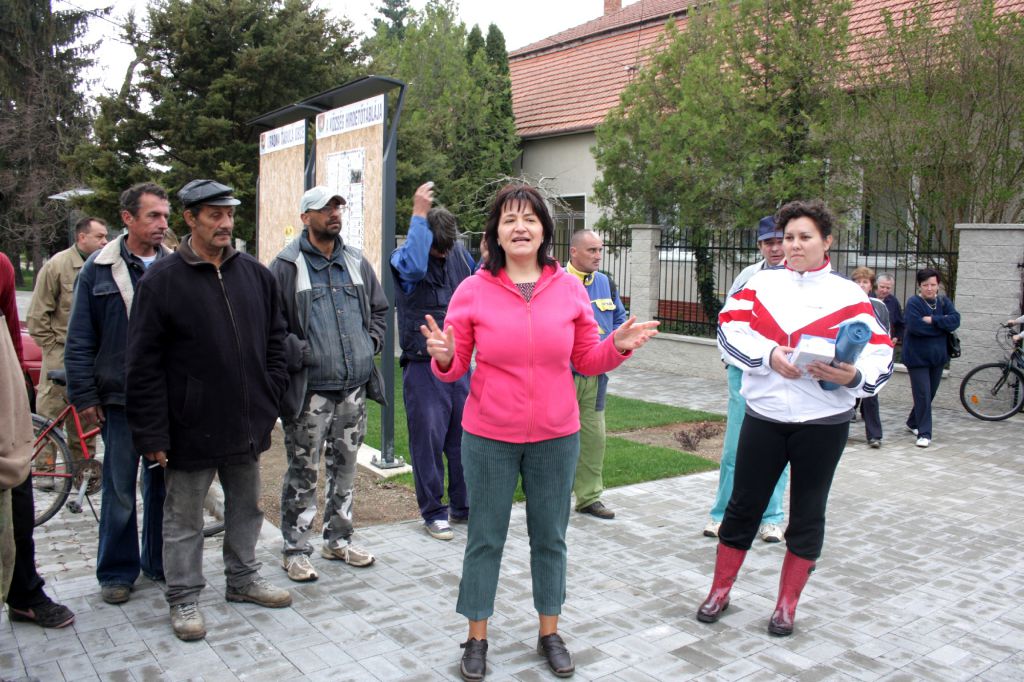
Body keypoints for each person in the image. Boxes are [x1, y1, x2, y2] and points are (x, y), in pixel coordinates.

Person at [422, 183, 659, 681]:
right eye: (509, 219)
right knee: (484, 538)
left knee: (550, 538)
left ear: (545, 231)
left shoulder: (569, 289)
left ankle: (549, 632)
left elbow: (586, 359)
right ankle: (476, 637)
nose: (520, 227)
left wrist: (617, 344)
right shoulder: (473, 290)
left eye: (529, 218)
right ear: (496, 233)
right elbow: (456, 363)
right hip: (489, 436)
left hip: (556, 435)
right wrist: (444, 357)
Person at [704, 200, 893, 637]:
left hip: (824, 424)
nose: (793, 245)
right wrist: (768, 355)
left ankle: (786, 605)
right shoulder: (759, 285)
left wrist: (854, 376)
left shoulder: (851, 296)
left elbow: (880, 353)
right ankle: (719, 590)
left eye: (805, 237)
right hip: (765, 416)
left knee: (808, 513)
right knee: (742, 507)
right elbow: (728, 331)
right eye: (788, 237)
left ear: (827, 242)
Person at [125, 179, 292, 642]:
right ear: (190, 218)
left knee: (246, 507)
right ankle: (183, 596)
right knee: (183, 518)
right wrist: (153, 434)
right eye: (215, 215)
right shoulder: (161, 281)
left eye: (229, 214)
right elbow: (142, 365)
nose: (225, 223)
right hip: (189, 426)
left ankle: (243, 578)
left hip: (246, 421)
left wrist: (269, 394)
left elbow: (277, 340)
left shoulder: (255, 275)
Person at [270, 185, 388, 582]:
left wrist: (370, 343)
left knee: (347, 470)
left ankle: (338, 540)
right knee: (303, 473)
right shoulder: (286, 266)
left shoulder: (355, 261)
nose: (334, 214)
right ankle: (295, 549)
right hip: (310, 394)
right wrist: (299, 352)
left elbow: (379, 309)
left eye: (338, 207)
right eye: (325, 209)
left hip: (352, 390)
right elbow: (271, 325)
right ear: (306, 217)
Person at [65, 182, 171, 605]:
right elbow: (79, 338)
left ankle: (158, 562)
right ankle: (116, 572)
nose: (162, 223)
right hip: (120, 400)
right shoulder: (99, 267)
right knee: (120, 489)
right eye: (153, 215)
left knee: (162, 487)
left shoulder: (176, 265)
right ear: (127, 218)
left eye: (165, 215)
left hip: (167, 400)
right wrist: (84, 396)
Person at [390, 182, 473, 540]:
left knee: (464, 439)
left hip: (460, 365)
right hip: (423, 366)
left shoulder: (458, 253)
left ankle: (464, 506)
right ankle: (433, 512)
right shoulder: (405, 257)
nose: (442, 256)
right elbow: (412, 268)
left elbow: (476, 288)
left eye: (446, 249)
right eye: (436, 250)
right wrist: (418, 214)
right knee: (428, 442)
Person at [704, 216, 788, 542]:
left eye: (780, 241)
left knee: (778, 450)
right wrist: (729, 361)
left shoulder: (800, 280)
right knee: (734, 449)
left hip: (782, 374)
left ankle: (771, 518)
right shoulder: (748, 277)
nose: (775, 248)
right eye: (769, 242)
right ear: (760, 245)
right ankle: (722, 515)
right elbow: (727, 322)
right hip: (744, 371)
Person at [1, 253, 73, 627]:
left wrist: (18, 391)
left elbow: (13, 333)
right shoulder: (58, 265)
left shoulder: (1, 266)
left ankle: (24, 593)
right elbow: (38, 320)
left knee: (18, 499)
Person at [27, 216, 109, 464]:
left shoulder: (103, 265)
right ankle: (45, 470)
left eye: (106, 236)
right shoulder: (57, 265)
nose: (105, 241)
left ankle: (83, 469)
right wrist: (53, 348)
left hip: (90, 356)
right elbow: (37, 315)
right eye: (99, 236)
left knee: (86, 418)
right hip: (60, 353)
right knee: (51, 416)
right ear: (82, 237)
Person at [565, 229, 627, 520]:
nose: (598, 256)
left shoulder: (605, 283)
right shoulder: (556, 282)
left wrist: (611, 347)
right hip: (563, 376)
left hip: (596, 378)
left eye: (600, 250)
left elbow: (619, 320)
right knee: (558, 441)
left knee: (594, 438)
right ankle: (553, 496)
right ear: (573, 251)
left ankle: (589, 498)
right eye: (592, 250)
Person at [902, 268, 960, 448]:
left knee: (930, 393)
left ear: (938, 285)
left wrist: (933, 320)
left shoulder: (943, 301)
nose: (929, 288)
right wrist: (942, 325)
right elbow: (915, 327)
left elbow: (955, 320)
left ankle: (913, 422)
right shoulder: (914, 302)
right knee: (923, 394)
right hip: (917, 358)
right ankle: (924, 433)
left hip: (938, 358)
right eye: (925, 285)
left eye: (933, 285)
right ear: (919, 285)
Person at [851, 267, 891, 448]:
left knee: (871, 394)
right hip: (850, 355)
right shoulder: (844, 303)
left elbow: (885, 331)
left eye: (865, 282)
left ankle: (874, 435)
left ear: (870, 285)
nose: (861, 285)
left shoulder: (878, 306)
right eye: (858, 282)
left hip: (869, 356)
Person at [876, 273, 904, 345]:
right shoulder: (867, 298)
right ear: (876, 285)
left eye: (888, 288)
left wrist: (897, 337)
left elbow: (900, 323)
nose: (885, 290)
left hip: (887, 342)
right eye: (882, 287)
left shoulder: (893, 301)